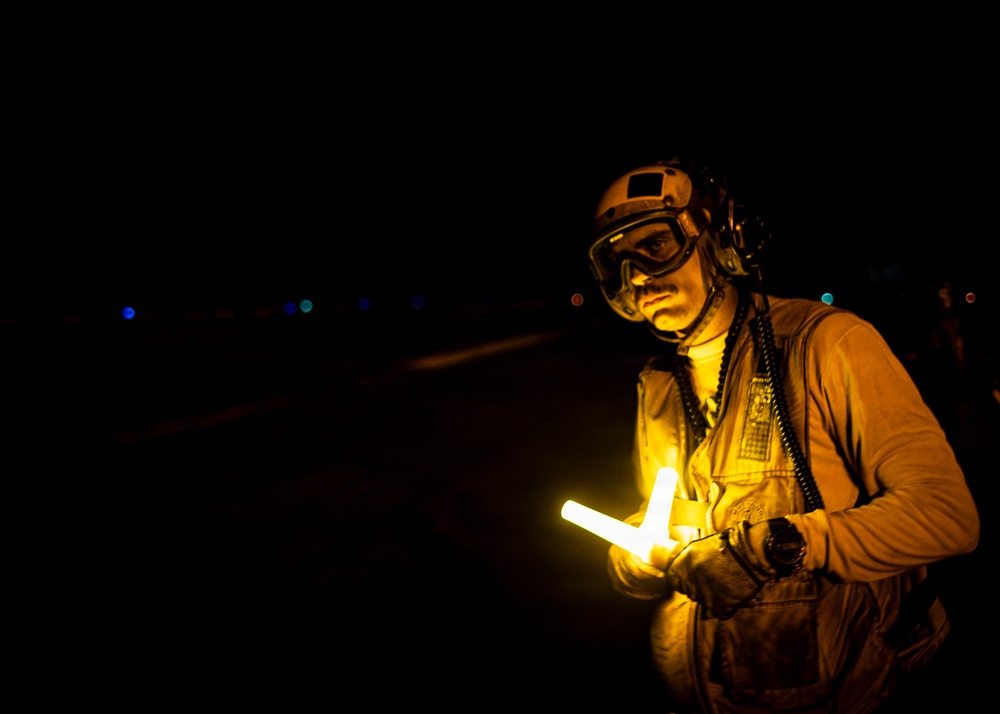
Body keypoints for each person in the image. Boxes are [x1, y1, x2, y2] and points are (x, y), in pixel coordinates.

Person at [585, 157, 980, 713]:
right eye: (616, 263)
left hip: (850, 692)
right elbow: (671, 519)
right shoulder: (658, 384)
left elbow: (948, 517)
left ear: (722, 242)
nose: (639, 277)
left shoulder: (827, 343)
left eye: (656, 246)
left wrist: (773, 549)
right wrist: (635, 558)